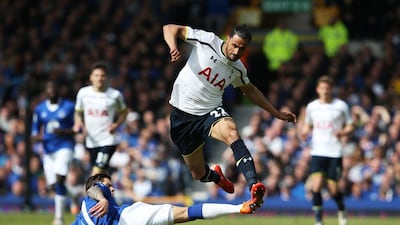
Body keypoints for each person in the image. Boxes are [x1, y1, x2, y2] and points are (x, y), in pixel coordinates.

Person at [162, 23, 297, 210]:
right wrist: (173, 47)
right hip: (181, 116)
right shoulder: (207, 41)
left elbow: (250, 90)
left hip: (210, 112)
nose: (236, 51)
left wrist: (276, 113)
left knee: (232, 132)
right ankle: (217, 176)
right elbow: (169, 28)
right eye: (234, 45)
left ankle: (253, 185)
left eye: (242, 49)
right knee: (198, 174)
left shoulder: (238, 69)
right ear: (227, 39)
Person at [71, 173, 257, 225]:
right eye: (108, 184)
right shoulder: (91, 199)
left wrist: (103, 199)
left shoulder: (98, 198)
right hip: (126, 219)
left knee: (186, 213)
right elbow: (93, 190)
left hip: (130, 218)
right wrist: (102, 199)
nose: (111, 188)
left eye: (111, 185)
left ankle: (239, 208)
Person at [300, 75, 354, 225]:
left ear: (331, 90)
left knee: (333, 189)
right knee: (316, 185)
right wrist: (304, 132)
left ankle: (341, 208)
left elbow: (350, 125)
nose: (325, 91)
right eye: (322, 88)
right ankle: (318, 220)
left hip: (335, 151)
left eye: (327, 88)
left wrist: (344, 132)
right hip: (317, 151)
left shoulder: (341, 106)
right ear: (318, 90)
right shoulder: (312, 107)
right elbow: (307, 125)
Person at [31, 80, 76, 225]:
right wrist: (39, 137)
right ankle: (73, 195)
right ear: (45, 92)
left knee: (60, 177)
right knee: (53, 185)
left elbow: (78, 128)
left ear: (58, 91)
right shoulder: (40, 109)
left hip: (65, 146)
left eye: (54, 89)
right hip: (48, 150)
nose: (51, 92)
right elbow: (34, 132)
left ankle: (58, 218)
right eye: (49, 89)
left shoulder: (69, 107)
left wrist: (65, 131)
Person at [73, 62, 128, 175]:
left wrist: (116, 125)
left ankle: (89, 192)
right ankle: (107, 192)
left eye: (102, 75)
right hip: (91, 140)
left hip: (108, 140)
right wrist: (78, 123)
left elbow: (124, 112)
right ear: (91, 77)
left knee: (96, 171)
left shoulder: (115, 95)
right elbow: (78, 111)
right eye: (96, 75)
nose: (100, 78)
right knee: (102, 173)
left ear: (106, 77)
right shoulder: (83, 93)